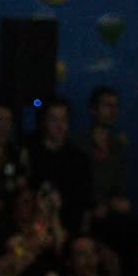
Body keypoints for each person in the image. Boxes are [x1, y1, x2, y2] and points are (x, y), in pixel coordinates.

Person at [26, 98, 92, 233]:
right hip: (34, 222)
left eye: (64, 120)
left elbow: (85, 200)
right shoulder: (29, 153)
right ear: (44, 121)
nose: (59, 125)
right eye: (54, 120)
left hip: (69, 224)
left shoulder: (78, 158)